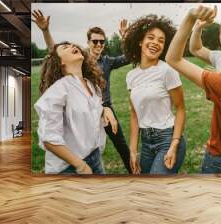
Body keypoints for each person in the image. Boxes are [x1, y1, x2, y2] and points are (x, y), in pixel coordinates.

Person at [32, 10, 132, 173]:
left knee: (120, 144)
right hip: (72, 155)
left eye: (102, 42)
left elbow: (128, 57)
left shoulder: (106, 63)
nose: (99, 44)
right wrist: (45, 31)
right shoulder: (74, 69)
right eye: (95, 41)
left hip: (102, 110)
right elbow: (55, 53)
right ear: (88, 42)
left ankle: (134, 172)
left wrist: (125, 38)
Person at [166, 5, 221, 173]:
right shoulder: (220, 57)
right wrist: (197, 27)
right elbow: (195, 48)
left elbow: (174, 58)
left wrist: (190, 18)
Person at [34, 41, 118, 174]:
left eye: (73, 45)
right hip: (69, 167)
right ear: (60, 62)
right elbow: (48, 139)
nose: (73, 46)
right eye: (65, 47)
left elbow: (92, 109)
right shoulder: (58, 90)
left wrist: (105, 110)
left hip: (95, 157)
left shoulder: (91, 85)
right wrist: (80, 166)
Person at [123, 14, 186, 174]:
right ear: (140, 41)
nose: (155, 43)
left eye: (161, 40)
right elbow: (134, 115)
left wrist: (174, 144)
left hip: (168, 138)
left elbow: (180, 109)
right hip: (146, 142)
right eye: (150, 38)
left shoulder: (167, 71)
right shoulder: (131, 76)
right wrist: (133, 150)